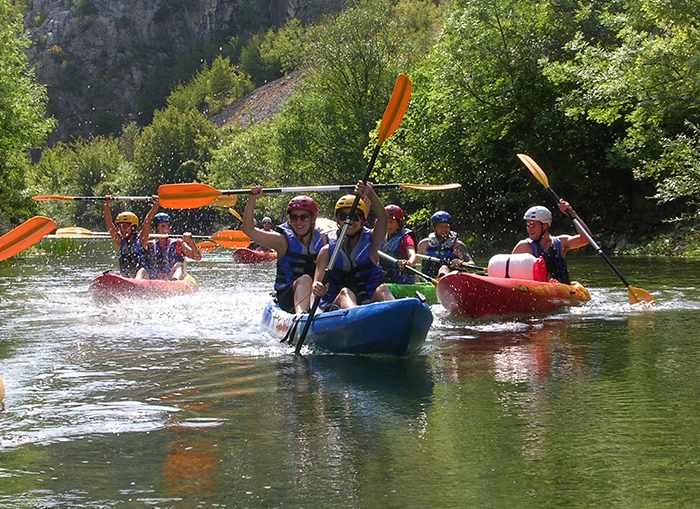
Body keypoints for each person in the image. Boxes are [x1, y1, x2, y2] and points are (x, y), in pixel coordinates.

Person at [243, 187, 327, 313]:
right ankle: (301, 317)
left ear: (312, 219)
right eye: (294, 217)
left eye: (304, 217)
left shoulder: (323, 239)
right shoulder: (282, 241)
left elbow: (357, 229)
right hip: (288, 297)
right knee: (305, 279)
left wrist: (368, 195)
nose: (298, 222)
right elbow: (248, 230)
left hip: (317, 293)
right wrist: (252, 200)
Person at [312, 182, 394, 310]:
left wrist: (370, 193)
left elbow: (383, 218)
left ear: (362, 221)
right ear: (337, 221)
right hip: (337, 305)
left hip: (368, 302)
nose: (349, 221)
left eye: (355, 217)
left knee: (383, 289)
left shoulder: (372, 242)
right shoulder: (327, 251)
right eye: (344, 217)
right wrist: (317, 287)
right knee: (346, 293)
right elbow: (317, 282)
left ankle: (396, 316)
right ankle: (356, 317)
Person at [511, 201, 591, 284]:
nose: (530, 229)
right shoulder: (524, 247)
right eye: (528, 225)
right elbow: (508, 272)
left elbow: (586, 238)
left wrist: (572, 214)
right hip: (537, 290)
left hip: (562, 290)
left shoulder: (561, 243)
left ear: (545, 226)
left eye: (533, 226)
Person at [104, 196, 159, 279]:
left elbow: (147, 221)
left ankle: (136, 284)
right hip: (127, 278)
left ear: (133, 227)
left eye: (125, 226)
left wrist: (156, 204)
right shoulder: (120, 242)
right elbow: (109, 225)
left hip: (144, 277)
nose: (122, 230)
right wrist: (106, 205)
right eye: (120, 227)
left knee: (141, 271)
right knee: (109, 273)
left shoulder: (142, 240)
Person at [144, 209, 202, 280]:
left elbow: (197, 257)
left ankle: (175, 281)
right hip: (156, 279)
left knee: (178, 265)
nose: (166, 229)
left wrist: (191, 242)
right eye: (163, 226)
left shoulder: (178, 244)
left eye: (168, 226)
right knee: (142, 269)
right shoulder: (150, 245)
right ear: (156, 228)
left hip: (171, 278)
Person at [417, 211, 474, 278]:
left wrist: (461, 263)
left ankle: (442, 280)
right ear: (434, 227)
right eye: (441, 226)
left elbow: (472, 265)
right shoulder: (423, 244)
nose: (445, 229)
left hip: (451, 281)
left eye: (447, 226)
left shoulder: (458, 245)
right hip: (428, 281)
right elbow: (414, 264)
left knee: (444, 268)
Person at [379, 204, 418, 284]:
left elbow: (413, 256)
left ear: (399, 223)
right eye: (386, 222)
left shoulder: (406, 238)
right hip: (385, 279)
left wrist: (408, 262)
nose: (388, 226)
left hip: (403, 281)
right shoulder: (382, 237)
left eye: (391, 222)